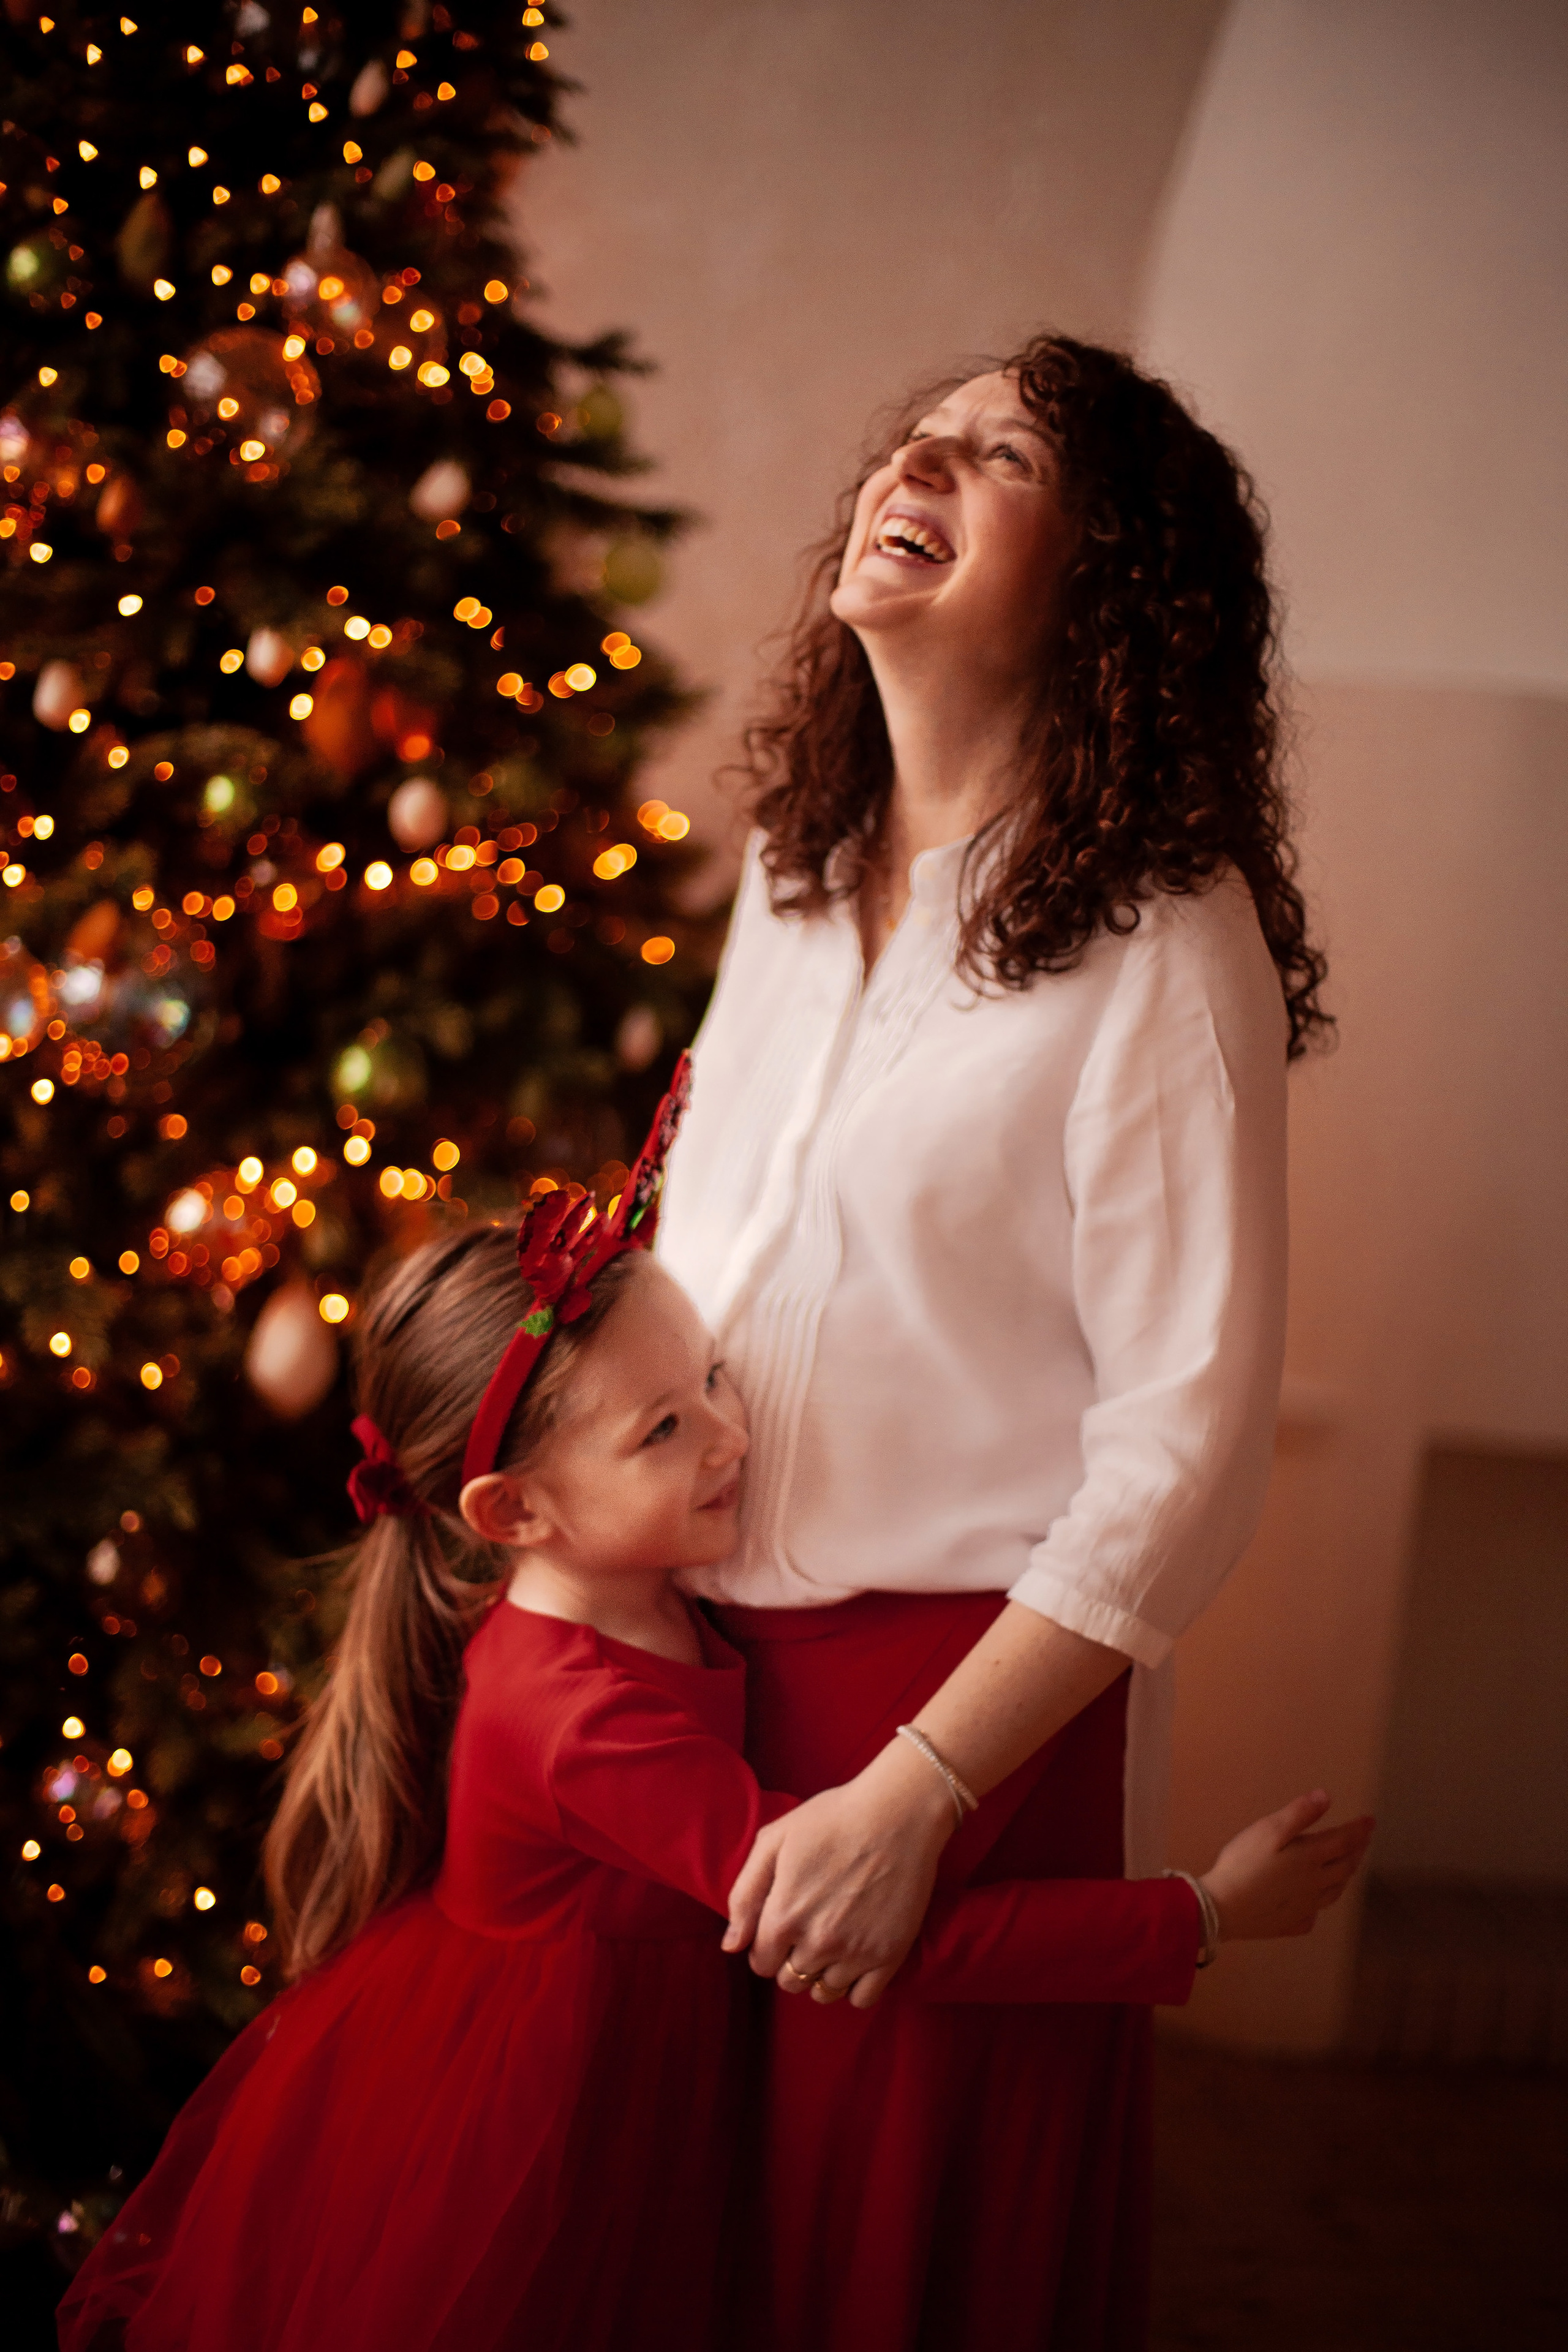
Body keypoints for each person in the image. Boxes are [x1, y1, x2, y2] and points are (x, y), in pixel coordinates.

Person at [58, 1144, 1368, 2352]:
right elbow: (876, 1934)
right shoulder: (584, 1726)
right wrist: (1195, 1916)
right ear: (514, 1510)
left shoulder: (652, 1590)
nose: (730, 1435)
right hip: (540, 2116)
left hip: (645, 2067)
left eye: (711, 1381)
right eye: (663, 1429)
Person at [657, 332, 1332, 2347]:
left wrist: (914, 1794)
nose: (921, 452)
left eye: (1001, 446)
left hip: (960, 1737)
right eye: (914, 429)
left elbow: (1186, 1451)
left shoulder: (1167, 933)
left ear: (1118, 574)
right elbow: (696, 1273)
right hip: (693, 1697)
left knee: (887, 2283)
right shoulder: (787, 883)